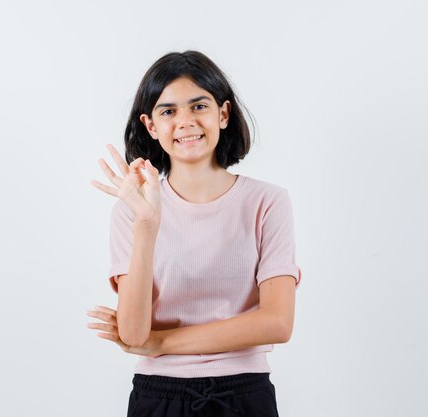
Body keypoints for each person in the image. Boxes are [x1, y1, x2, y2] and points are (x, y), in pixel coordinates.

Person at [87, 50, 301, 417]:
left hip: (245, 394)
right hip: (159, 396)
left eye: (198, 106)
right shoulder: (132, 212)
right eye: (168, 111)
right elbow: (135, 334)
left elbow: (277, 323)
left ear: (223, 113)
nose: (185, 122)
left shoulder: (267, 202)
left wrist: (162, 342)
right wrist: (147, 224)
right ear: (151, 126)